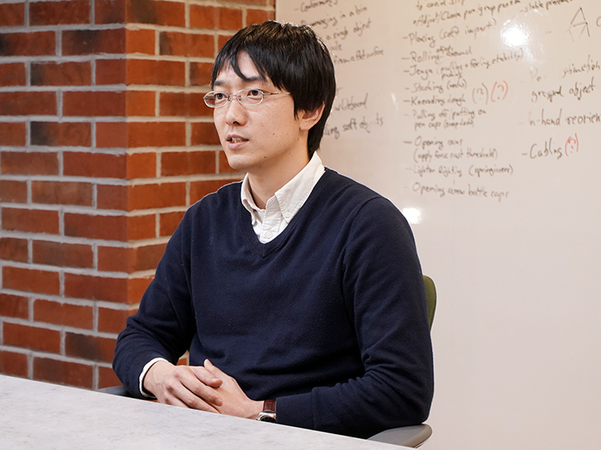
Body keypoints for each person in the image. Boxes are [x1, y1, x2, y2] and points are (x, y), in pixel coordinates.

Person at [113, 20, 433, 439]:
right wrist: (158, 375)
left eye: (254, 93)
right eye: (222, 96)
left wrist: (256, 413)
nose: (231, 115)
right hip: (202, 436)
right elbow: (141, 334)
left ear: (310, 109)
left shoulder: (370, 224)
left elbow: (401, 390)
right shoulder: (204, 220)